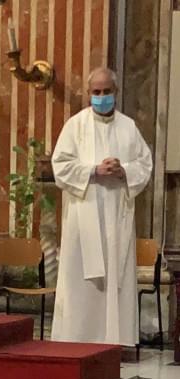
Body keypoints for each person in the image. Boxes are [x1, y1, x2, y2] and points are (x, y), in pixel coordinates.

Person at [51, 67, 153, 346]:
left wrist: (123, 171)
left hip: (115, 219)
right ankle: (75, 341)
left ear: (116, 92)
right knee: (81, 285)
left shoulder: (128, 127)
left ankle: (115, 342)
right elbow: (60, 166)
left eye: (106, 91)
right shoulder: (75, 126)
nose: (101, 97)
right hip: (84, 217)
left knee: (114, 278)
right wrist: (94, 170)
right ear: (88, 94)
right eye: (96, 92)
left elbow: (144, 164)